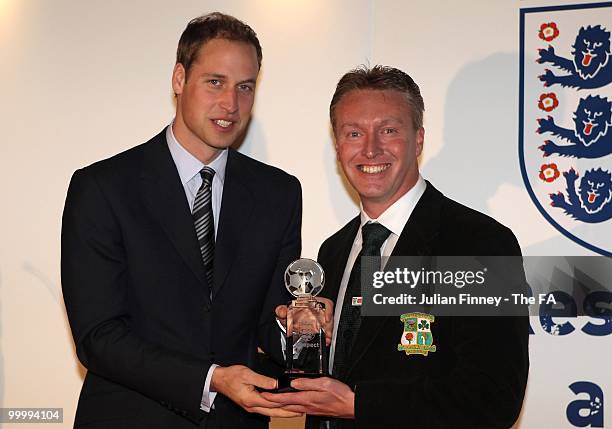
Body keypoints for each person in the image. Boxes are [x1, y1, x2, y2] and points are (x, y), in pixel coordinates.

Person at [61, 12, 303, 428]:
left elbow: (269, 324)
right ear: (179, 79)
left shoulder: (278, 194)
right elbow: (98, 337)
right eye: (215, 82)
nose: (231, 104)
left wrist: (301, 331)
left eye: (245, 87)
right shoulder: (103, 187)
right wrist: (210, 381)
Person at [265, 65, 530, 429]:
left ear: (418, 139)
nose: (371, 149)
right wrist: (308, 337)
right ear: (339, 146)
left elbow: (493, 397)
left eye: (388, 130)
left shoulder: (479, 243)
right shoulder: (334, 250)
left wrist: (361, 404)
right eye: (354, 133)